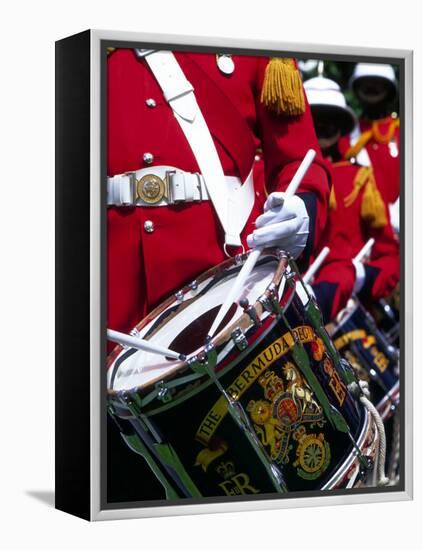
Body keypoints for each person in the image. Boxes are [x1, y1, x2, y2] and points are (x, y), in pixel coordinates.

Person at [107, 49, 331, 339]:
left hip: (230, 275)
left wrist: (301, 208)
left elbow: (297, 158)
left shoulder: (256, 43)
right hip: (115, 293)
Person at [302, 76, 400, 323]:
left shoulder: (360, 178)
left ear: (342, 126)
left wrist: (358, 276)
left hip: (346, 308)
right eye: (316, 118)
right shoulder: (272, 173)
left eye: (331, 119)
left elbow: (389, 257)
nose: (323, 125)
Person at [339, 63, 400, 229]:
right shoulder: (345, 136)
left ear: (389, 89)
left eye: (377, 82)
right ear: (357, 88)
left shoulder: (404, 133)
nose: (372, 86)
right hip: (360, 228)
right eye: (366, 82)